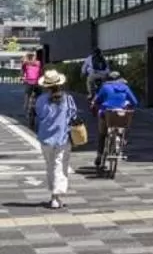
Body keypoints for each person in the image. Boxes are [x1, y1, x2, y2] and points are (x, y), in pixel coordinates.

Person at [31, 70, 79, 210]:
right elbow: (73, 115)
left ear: (45, 85)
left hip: (45, 137)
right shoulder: (68, 98)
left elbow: (39, 115)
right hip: (63, 137)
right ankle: (56, 197)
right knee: (60, 165)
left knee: (50, 165)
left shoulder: (40, 100)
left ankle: (53, 195)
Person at [89, 70, 139, 174]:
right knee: (124, 126)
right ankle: (122, 140)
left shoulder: (105, 87)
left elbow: (97, 100)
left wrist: (95, 104)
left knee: (102, 133)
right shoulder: (125, 87)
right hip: (122, 114)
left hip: (107, 114)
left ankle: (99, 155)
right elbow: (134, 102)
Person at [20, 48, 41, 118]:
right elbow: (22, 71)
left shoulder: (37, 62)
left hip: (37, 82)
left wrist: (26, 60)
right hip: (29, 82)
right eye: (30, 55)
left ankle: (38, 109)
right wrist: (22, 77)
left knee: (39, 97)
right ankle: (26, 109)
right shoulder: (25, 64)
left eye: (32, 55)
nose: (31, 57)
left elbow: (35, 63)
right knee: (27, 98)